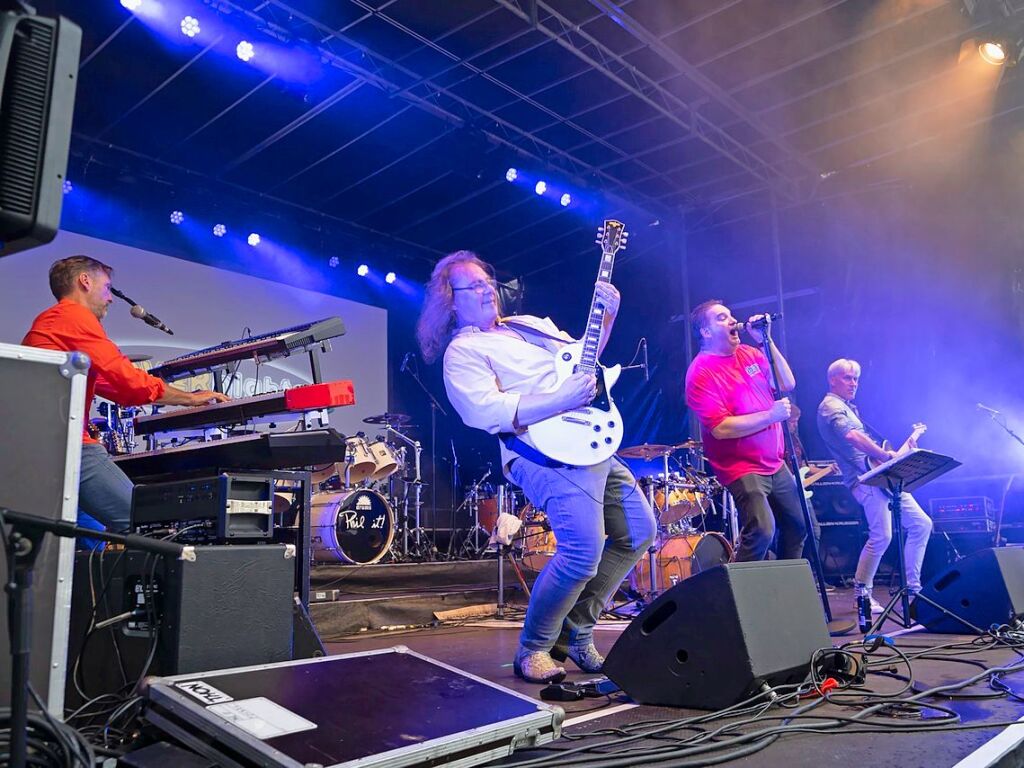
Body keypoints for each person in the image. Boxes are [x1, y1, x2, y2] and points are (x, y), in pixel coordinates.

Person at [417, 250, 656, 684]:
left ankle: (578, 633)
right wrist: (561, 401)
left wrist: (607, 318)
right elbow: (484, 410)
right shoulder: (463, 350)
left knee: (639, 532)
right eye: (474, 286)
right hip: (539, 451)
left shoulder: (527, 325)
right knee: (582, 552)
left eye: (488, 282)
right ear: (451, 301)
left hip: (587, 439)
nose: (488, 290)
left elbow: (584, 364)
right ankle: (534, 648)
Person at [22, 256, 229, 534]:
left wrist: (167, 394)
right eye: (107, 288)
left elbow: (115, 388)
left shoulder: (53, 321)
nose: (111, 299)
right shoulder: (72, 316)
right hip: (67, 446)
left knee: (91, 540)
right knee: (145, 526)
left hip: (42, 447)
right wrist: (191, 398)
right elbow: (129, 383)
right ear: (85, 281)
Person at [684, 300, 806, 562]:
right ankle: (738, 596)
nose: (731, 320)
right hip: (741, 467)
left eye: (730, 315)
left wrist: (765, 340)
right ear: (706, 332)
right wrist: (770, 415)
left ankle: (782, 590)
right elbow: (721, 428)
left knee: (799, 524)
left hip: (775, 462)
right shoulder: (700, 372)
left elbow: (786, 382)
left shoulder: (750, 353)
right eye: (721, 318)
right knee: (762, 529)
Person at [816, 358, 932, 611]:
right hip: (865, 480)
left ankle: (913, 590)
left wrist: (893, 454)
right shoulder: (830, 406)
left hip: (882, 477)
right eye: (847, 378)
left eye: (856, 378)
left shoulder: (849, 407)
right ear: (833, 379)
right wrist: (884, 455)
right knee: (881, 536)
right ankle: (862, 594)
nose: (853, 383)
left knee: (922, 524)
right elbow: (851, 436)